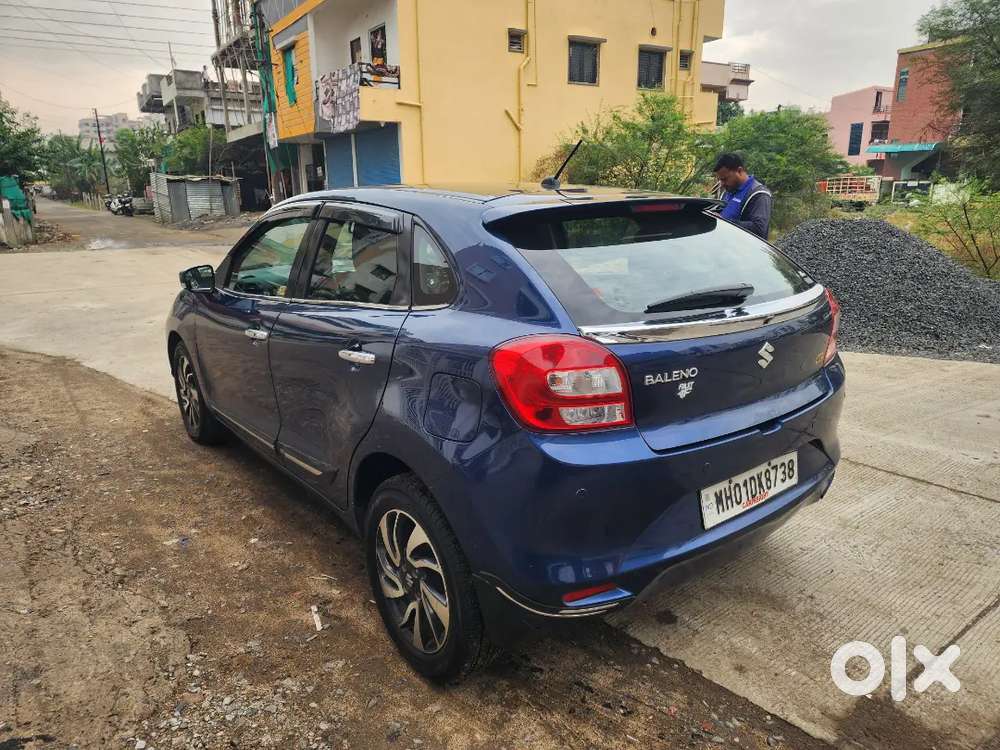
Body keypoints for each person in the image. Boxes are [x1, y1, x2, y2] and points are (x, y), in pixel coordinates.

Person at [714, 153, 773, 240]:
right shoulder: (727, 192)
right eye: (720, 180)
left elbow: (759, 229)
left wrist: (724, 222)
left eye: (725, 179)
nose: (722, 184)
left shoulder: (759, 195)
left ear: (739, 171)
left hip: (744, 251)